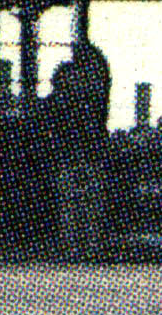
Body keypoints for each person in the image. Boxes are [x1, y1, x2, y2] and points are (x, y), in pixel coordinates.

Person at [43, 44, 113, 259]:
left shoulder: (62, 100)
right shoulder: (95, 93)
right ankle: (89, 248)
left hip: (70, 156)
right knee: (89, 207)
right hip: (89, 156)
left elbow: (51, 119)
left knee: (71, 207)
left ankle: (74, 249)